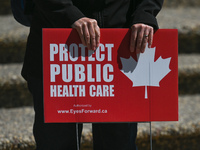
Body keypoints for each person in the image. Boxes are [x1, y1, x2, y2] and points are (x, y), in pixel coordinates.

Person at [22, 0, 164, 149]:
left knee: (118, 144)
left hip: (118, 47)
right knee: (56, 142)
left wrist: (145, 12)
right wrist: (69, 14)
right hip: (57, 44)